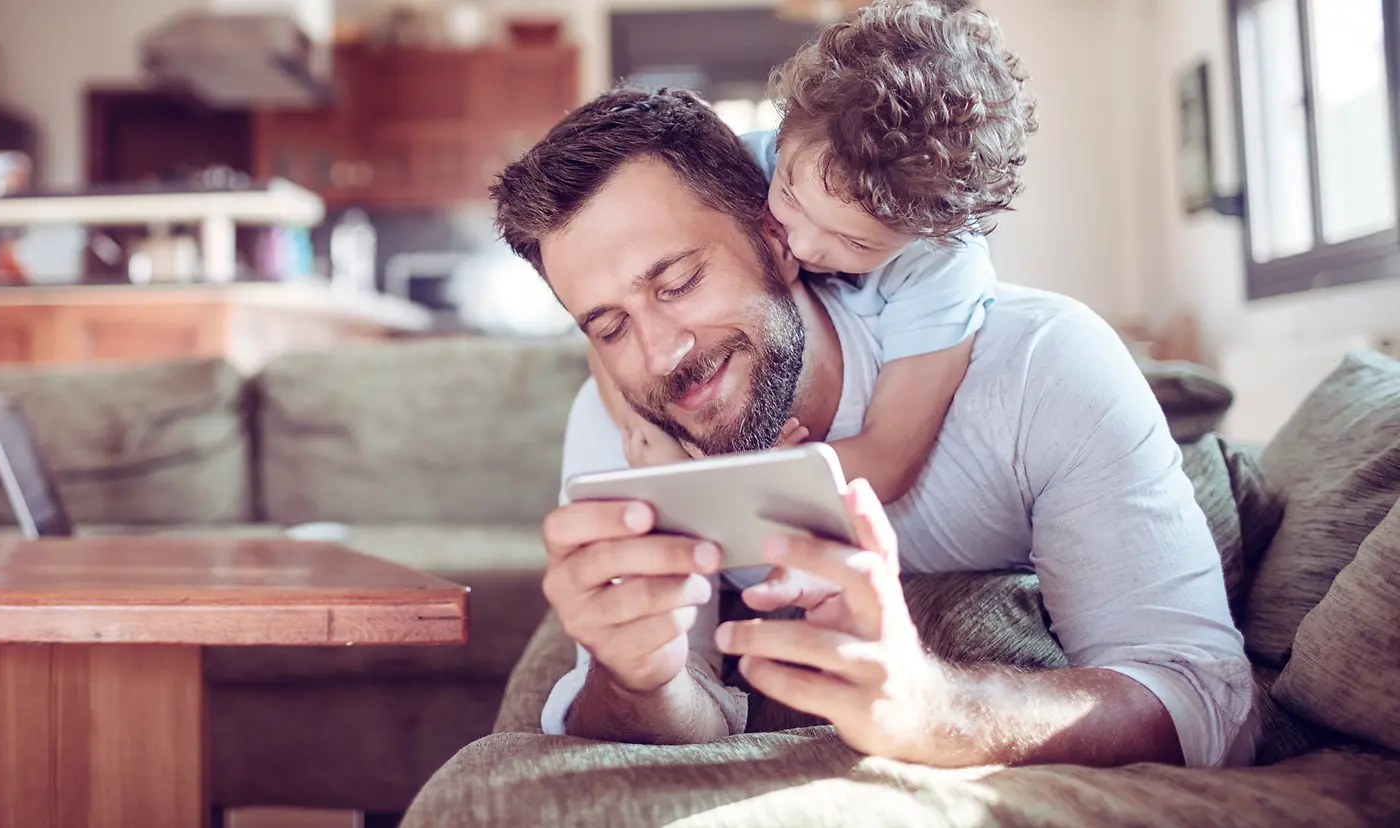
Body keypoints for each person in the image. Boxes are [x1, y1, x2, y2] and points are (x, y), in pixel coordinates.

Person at [490, 86, 1254, 768]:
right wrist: (637, 679)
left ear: (778, 240)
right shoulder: (617, 427)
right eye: (610, 326)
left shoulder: (1038, 364)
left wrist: (936, 708)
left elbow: (1208, 700)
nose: (663, 353)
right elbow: (679, 714)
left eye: (680, 282)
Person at [589, 0, 1036, 512]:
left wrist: (752, 478)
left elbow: (887, 458)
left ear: (926, 236)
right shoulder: (735, 172)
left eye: (856, 243)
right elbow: (608, 313)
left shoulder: (942, 264)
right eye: (791, 200)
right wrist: (660, 448)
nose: (800, 246)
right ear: (782, 137)